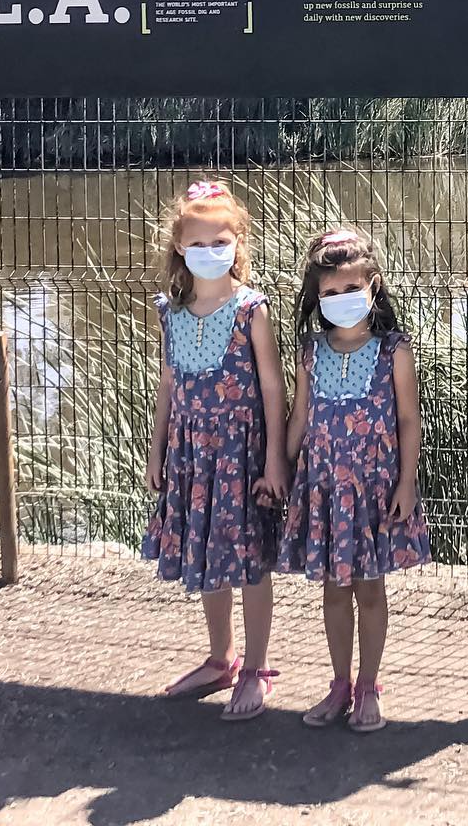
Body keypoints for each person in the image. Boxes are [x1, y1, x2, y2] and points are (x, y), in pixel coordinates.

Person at [142, 179, 289, 721]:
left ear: (238, 242)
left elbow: (273, 387)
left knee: (250, 562)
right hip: (192, 455)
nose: (210, 252)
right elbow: (167, 385)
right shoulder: (169, 311)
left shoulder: (252, 309)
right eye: (198, 243)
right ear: (179, 246)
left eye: (219, 241)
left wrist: (276, 459)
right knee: (208, 555)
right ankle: (220, 657)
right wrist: (157, 450)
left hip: (242, 454)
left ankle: (255, 667)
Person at [278, 227, 431, 732]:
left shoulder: (394, 351)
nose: (341, 301)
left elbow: (408, 420)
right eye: (330, 293)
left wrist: (406, 483)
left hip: (373, 494)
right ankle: (339, 683)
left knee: (369, 591)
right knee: (333, 592)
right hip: (322, 491)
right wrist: (278, 465)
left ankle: (369, 685)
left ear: (374, 286)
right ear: (317, 297)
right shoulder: (309, 352)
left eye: (351, 290)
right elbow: (299, 416)